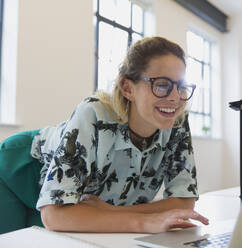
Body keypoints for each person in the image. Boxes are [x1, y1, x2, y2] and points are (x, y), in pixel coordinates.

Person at [0, 36, 208, 234]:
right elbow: (55, 214)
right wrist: (143, 221)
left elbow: (183, 202)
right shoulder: (93, 113)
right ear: (128, 88)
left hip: (71, 202)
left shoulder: (177, 122)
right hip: (20, 170)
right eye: (162, 85)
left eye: (181, 87)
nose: (175, 98)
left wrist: (111, 212)